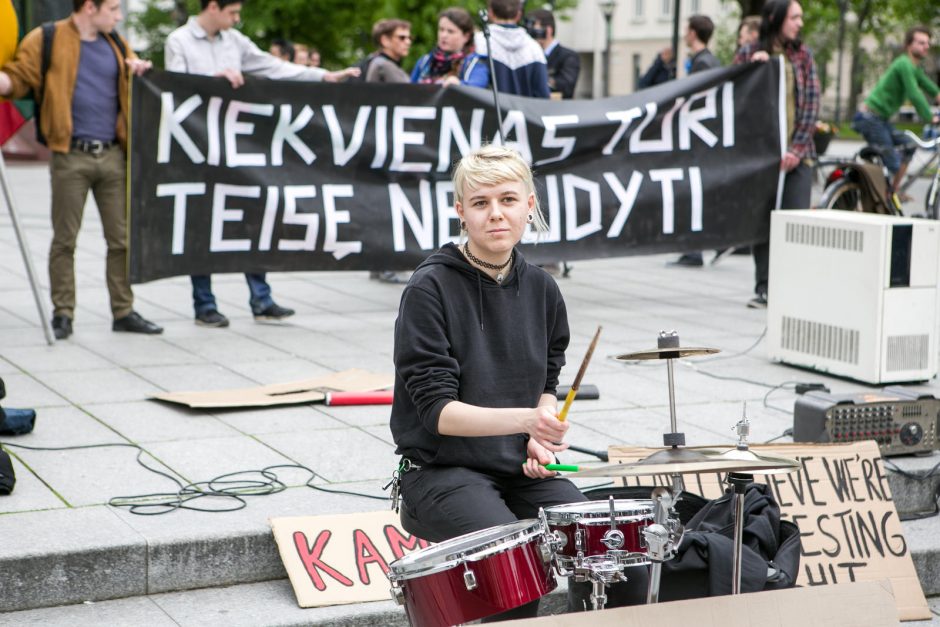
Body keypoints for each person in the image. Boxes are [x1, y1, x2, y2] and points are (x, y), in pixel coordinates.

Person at [391, 145, 586, 621]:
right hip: (440, 472)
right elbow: (438, 413)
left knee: (599, 540)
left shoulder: (542, 287)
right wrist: (528, 421)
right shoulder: (429, 288)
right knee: (512, 565)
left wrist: (540, 439)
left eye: (508, 200)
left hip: (519, 467)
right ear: (461, 211)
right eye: (480, 203)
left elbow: (549, 377)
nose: (496, 214)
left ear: (530, 204)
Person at [165, 0, 359, 327]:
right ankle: (204, 304)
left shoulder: (234, 42)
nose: (237, 20)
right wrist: (214, 80)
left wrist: (322, 76)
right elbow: (174, 89)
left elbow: (273, 67)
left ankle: (261, 298)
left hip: (236, 148)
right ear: (213, 6)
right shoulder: (178, 41)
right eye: (233, 13)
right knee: (201, 223)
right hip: (198, 150)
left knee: (251, 218)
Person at [0, 0, 163, 339]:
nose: (118, 17)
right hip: (69, 156)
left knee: (120, 239)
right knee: (65, 240)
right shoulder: (47, 37)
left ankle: (123, 310)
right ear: (90, 7)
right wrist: (4, 82)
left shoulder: (116, 44)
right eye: (114, 9)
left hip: (113, 155)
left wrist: (141, 74)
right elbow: (19, 77)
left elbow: (133, 84)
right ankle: (63, 313)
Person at [735, 0, 819, 309]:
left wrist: (796, 150)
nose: (799, 23)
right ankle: (765, 286)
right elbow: (735, 100)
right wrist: (751, 71)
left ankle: (791, 286)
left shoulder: (803, 55)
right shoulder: (749, 52)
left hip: (797, 156)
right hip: (762, 157)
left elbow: (811, 105)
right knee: (763, 222)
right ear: (777, 18)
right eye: (794, 17)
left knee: (793, 220)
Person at [852, 26, 940, 201]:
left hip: (881, 120)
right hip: (870, 118)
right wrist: (931, 118)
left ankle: (893, 192)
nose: (926, 46)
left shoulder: (915, 69)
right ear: (909, 45)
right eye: (921, 43)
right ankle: (880, 196)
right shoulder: (904, 64)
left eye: (927, 43)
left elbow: (932, 89)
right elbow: (914, 93)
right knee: (893, 161)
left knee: (909, 146)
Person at [671, 14, 721, 267]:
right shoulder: (708, 61)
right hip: (701, 139)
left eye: (686, 29)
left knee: (693, 193)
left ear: (693, 33)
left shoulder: (703, 63)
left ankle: (694, 251)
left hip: (697, 139)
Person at [475, 0, 550, 98]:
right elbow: (543, 95)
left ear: (490, 13)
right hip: (525, 112)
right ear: (518, 15)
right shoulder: (534, 48)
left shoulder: (479, 43)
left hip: (489, 112)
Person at [410, 7, 488, 88]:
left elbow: (477, 88)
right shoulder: (424, 61)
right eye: (441, 29)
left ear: (466, 37)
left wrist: (459, 85)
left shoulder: (474, 63)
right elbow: (409, 91)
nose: (444, 35)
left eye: (450, 31)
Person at [526, 8, 580, 99]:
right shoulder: (528, 56)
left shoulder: (568, 56)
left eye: (535, 29)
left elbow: (566, 86)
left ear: (548, 30)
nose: (531, 34)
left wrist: (541, 78)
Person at [363, 19, 412, 84]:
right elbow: (409, 91)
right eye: (402, 38)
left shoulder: (379, 62)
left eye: (409, 38)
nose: (408, 42)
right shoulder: (383, 65)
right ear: (385, 40)